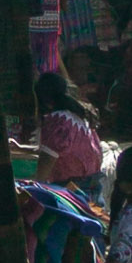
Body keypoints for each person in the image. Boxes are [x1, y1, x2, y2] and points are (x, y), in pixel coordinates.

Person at [33, 68, 105, 198]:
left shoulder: (58, 121)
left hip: (73, 190)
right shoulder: (79, 118)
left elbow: (45, 166)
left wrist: (33, 188)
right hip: (92, 187)